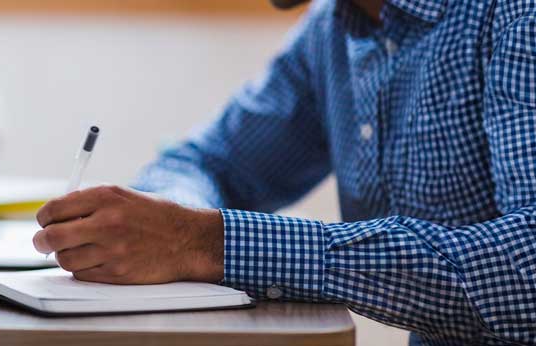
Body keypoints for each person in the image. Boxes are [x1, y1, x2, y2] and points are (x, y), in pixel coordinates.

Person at [30, 0, 536, 344]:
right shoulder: (333, 27)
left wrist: (203, 243)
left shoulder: (516, 15)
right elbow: (208, 161)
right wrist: (168, 223)